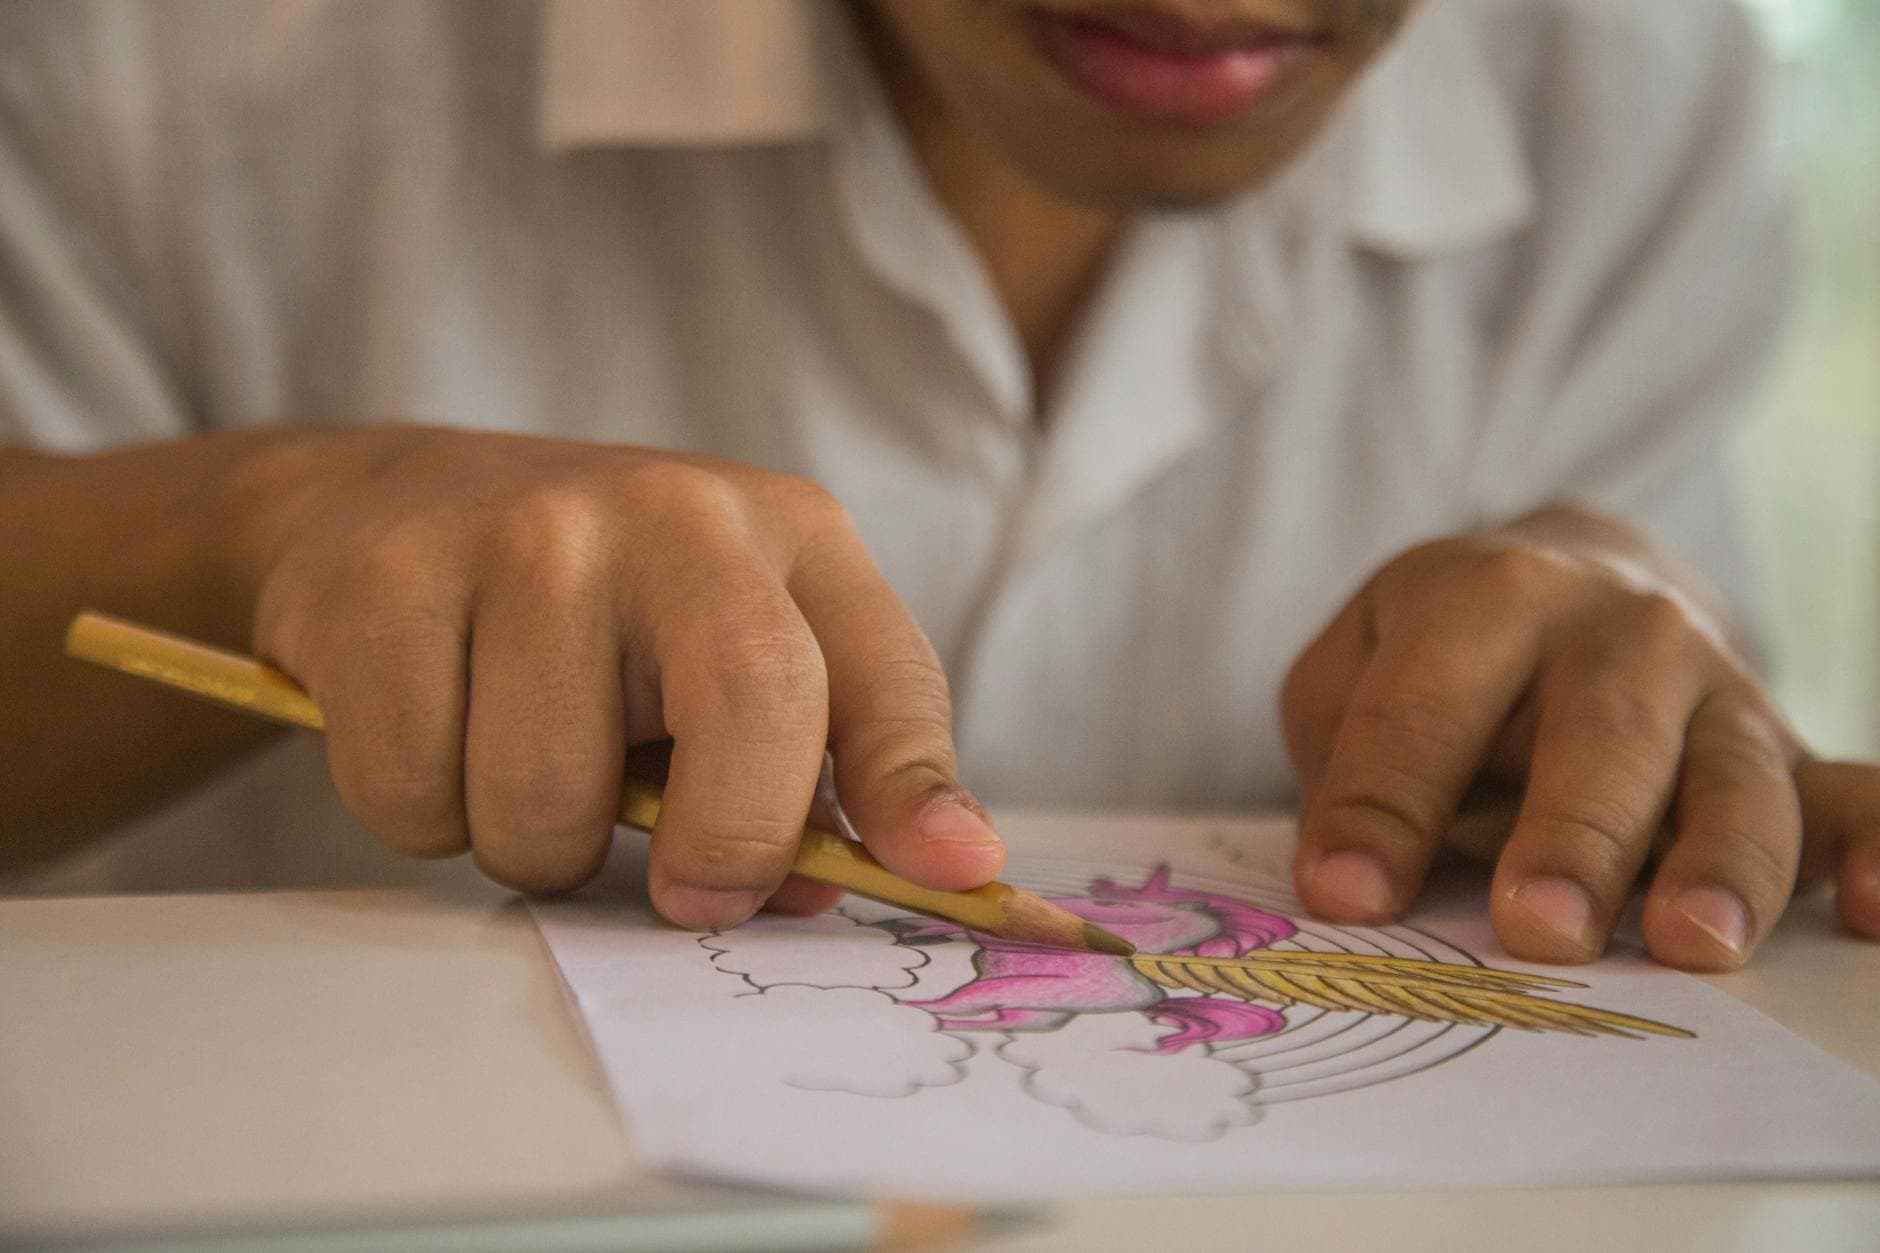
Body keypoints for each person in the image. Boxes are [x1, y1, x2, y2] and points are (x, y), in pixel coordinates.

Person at [2, 0, 1874, 972]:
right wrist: (256, 529)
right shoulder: (177, 63)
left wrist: (1619, 631)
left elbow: (1642, 768)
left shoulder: (1631, 84)